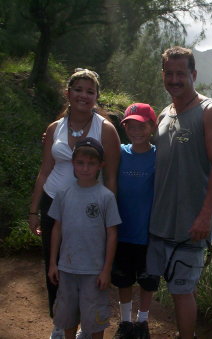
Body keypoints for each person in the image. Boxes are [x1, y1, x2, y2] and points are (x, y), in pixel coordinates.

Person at [146, 46, 212, 339]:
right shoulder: (163, 114)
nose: (174, 79)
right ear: (163, 75)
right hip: (159, 223)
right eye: (169, 73)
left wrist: (205, 216)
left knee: (182, 292)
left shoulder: (211, 112)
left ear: (193, 75)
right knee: (151, 284)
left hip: (190, 225)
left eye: (180, 73)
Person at [28, 68, 121, 339]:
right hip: (53, 202)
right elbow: (44, 170)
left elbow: (111, 177)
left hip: (91, 210)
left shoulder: (106, 129)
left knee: (90, 264)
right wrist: (34, 209)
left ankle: (86, 324)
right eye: (78, 89)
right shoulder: (54, 129)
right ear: (68, 93)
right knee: (54, 264)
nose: (83, 95)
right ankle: (60, 323)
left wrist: (108, 216)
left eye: (89, 91)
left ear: (96, 97)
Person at [48, 137, 121, 339]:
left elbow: (112, 233)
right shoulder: (63, 194)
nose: (85, 168)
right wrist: (53, 263)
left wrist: (106, 270)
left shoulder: (106, 197)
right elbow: (57, 229)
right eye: (80, 162)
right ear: (73, 163)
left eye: (91, 163)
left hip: (94, 271)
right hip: (66, 269)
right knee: (67, 316)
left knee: (95, 318)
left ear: (100, 166)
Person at [111, 103, 159, 339]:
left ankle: (142, 322)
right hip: (122, 230)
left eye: (141, 125)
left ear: (151, 126)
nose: (136, 130)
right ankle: (125, 322)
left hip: (148, 232)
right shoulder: (119, 151)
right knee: (123, 279)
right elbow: (87, 150)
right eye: (130, 125)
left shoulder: (159, 156)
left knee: (148, 280)